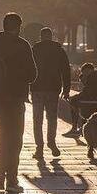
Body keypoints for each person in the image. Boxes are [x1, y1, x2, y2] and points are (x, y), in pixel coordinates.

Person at [0, 13, 37, 193]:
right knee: (15, 137)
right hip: (16, 97)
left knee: (1, 135)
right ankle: (11, 179)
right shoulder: (22, 45)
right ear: (18, 26)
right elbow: (33, 74)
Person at [30, 27, 71, 159]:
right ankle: (51, 143)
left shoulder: (34, 50)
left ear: (41, 37)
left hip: (37, 88)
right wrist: (66, 88)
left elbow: (28, 69)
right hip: (53, 89)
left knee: (37, 120)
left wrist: (26, 88)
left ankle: (39, 148)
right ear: (51, 36)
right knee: (52, 118)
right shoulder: (59, 51)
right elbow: (66, 70)